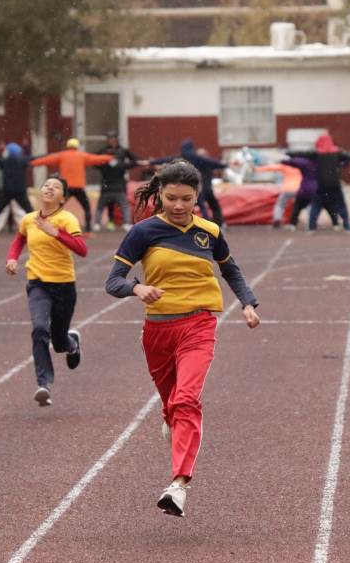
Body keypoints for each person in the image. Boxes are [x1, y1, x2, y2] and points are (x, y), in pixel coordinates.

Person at [104, 161, 260, 518]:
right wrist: (137, 287)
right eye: (171, 198)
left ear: (197, 197)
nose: (178, 205)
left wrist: (248, 303)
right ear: (159, 195)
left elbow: (230, 269)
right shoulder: (143, 232)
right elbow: (112, 281)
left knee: (187, 400)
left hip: (199, 325)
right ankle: (169, 413)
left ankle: (178, 484)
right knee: (172, 403)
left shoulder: (209, 231)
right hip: (157, 331)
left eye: (186, 199)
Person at [6, 176, 87, 407]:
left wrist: (56, 233)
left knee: (59, 342)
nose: (50, 188)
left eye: (56, 187)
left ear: (63, 197)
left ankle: (72, 343)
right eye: (46, 185)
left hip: (63, 285)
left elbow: (82, 250)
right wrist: (12, 258)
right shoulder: (29, 219)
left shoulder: (67, 219)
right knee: (40, 328)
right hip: (37, 283)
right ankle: (43, 384)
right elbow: (19, 239)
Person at [29, 138, 112, 232]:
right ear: (77, 146)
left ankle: (49, 225)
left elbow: (47, 160)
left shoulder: (62, 155)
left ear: (67, 146)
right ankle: (88, 229)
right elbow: (97, 159)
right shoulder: (82, 155)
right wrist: (111, 157)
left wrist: (32, 163)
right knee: (86, 207)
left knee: (57, 207)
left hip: (66, 187)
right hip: (79, 187)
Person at [151, 140, 227, 227]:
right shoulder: (200, 160)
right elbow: (214, 163)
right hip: (199, 188)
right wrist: (225, 165)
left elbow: (166, 159)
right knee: (203, 206)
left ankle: (188, 223)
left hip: (189, 187)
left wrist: (153, 161)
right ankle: (208, 223)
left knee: (193, 205)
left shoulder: (182, 157)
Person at [308, 134, 350, 232]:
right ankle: (347, 226)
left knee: (316, 205)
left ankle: (311, 227)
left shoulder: (317, 154)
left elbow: (301, 154)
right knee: (341, 205)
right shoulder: (337, 152)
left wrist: (287, 154)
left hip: (321, 184)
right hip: (334, 184)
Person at [94, 130, 142, 232]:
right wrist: (103, 166)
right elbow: (94, 161)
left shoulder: (123, 151)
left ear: (116, 139)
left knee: (123, 205)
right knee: (105, 204)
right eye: (109, 139)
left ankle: (127, 223)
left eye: (112, 138)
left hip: (119, 185)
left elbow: (136, 160)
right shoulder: (103, 151)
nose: (111, 141)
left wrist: (123, 166)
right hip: (106, 184)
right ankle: (101, 223)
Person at [253, 162, 302, 227]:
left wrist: (257, 169)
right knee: (304, 205)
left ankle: (277, 219)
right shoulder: (303, 165)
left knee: (280, 204)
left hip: (288, 188)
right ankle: (311, 221)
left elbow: (271, 167)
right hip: (301, 189)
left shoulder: (286, 165)